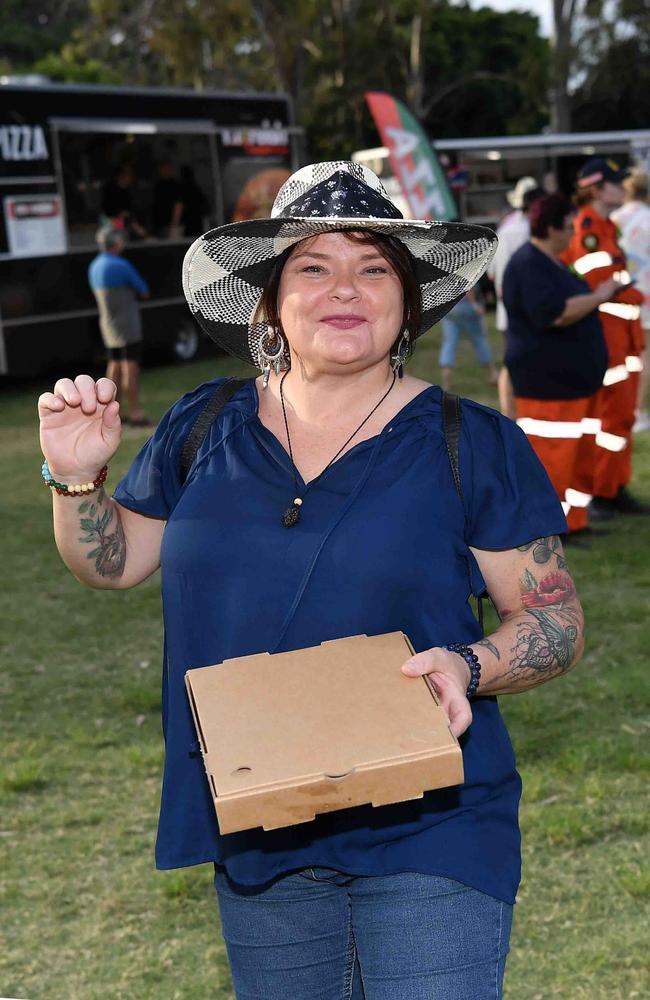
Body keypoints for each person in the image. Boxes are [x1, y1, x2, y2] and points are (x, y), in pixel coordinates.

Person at [39, 161, 584, 1000]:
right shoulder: (204, 424)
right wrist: (77, 480)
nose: (347, 289)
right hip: (262, 822)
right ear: (269, 301)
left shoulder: (470, 440)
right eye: (313, 266)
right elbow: (112, 564)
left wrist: (468, 666)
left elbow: (553, 623)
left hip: (432, 819)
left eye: (374, 267)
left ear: (406, 298)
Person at [503, 194, 615, 537]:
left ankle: (574, 522)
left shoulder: (554, 260)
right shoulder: (528, 264)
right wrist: (599, 296)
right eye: (567, 227)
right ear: (550, 227)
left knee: (579, 458)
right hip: (548, 387)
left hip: (576, 384)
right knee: (554, 460)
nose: (572, 234)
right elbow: (557, 313)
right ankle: (546, 530)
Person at [561, 157, 648, 517]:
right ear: (596, 188)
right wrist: (635, 292)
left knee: (622, 417)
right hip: (607, 335)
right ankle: (598, 492)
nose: (621, 187)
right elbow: (601, 283)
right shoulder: (588, 228)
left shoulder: (606, 226)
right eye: (614, 182)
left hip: (623, 337)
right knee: (606, 418)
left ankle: (614, 488)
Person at [488, 178, 544, 419]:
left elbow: (491, 273)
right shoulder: (527, 232)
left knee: (513, 364)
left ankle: (511, 414)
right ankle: (514, 414)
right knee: (517, 365)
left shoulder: (506, 231)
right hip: (525, 311)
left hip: (509, 310)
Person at [88, 226, 151, 427]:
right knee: (129, 366)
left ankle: (113, 411)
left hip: (108, 324)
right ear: (115, 243)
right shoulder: (121, 265)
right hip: (127, 323)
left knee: (113, 364)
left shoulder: (95, 266)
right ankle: (136, 413)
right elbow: (144, 291)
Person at [611, 168, 650, 432]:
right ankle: (636, 410)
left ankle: (616, 406)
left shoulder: (612, 218)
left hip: (615, 292)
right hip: (646, 294)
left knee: (618, 354)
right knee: (644, 353)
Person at [438, 287, 498, 391]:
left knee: (449, 343)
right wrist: (475, 305)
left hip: (449, 309)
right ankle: (492, 373)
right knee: (479, 340)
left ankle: (447, 380)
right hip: (466, 306)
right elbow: (468, 288)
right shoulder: (464, 270)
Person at [100, 164, 147, 240]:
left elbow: (131, 212)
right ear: (121, 176)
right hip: (110, 222)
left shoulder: (130, 191)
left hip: (126, 224)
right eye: (128, 175)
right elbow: (109, 211)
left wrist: (137, 227)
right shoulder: (110, 190)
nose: (130, 178)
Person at [151, 161, 184, 238]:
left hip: (173, 225)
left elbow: (179, 205)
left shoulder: (175, 185)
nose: (163, 171)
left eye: (166, 169)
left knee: (173, 247)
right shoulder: (159, 185)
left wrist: (174, 224)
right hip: (160, 225)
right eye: (162, 169)